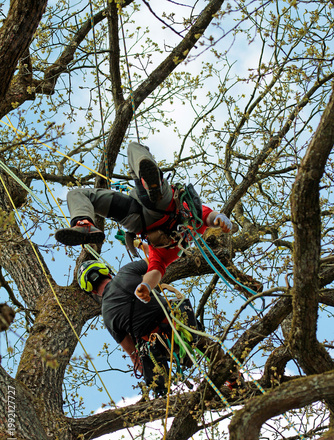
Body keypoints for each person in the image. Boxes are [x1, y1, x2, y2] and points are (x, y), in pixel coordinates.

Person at [55, 142, 233, 304]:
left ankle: (149, 184)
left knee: (132, 151)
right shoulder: (194, 221)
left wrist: (146, 286)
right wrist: (220, 219)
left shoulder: (166, 252)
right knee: (77, 194)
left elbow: (155, 271)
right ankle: (85, 221)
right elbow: (209, 217)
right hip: (153, 204)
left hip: (145, 217)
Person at [77, 258, 203, 397]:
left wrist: (148, 375)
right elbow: (157, 258)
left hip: (159, 346)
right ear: (107, 273)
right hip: (182, 325)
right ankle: (229, 374)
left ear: (93, 292)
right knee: (206, 345)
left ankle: (161, 392)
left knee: (145, 355)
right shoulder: (127, 271)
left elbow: (133, 355)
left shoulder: (107, 316)